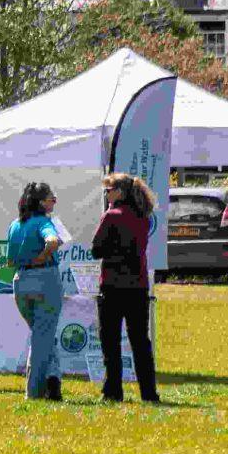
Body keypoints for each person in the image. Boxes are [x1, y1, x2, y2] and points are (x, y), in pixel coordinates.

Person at [91, 172, 161, 404]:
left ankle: (113, 390)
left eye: (109, 190)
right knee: (141, 341)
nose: (107, 194)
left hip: (112, 284)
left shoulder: (111, 216)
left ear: (119, 192)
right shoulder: (143, 217)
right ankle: (148, 392)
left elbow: (96, 249)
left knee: (110, 341)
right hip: (138, 285)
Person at [9, 181, 68, 402]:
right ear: (41, 202)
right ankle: (33, 393)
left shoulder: (15, 225)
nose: (55, 200)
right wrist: (42, 256)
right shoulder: (45, 222)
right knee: (42, 338)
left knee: (41, 334)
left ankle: (53, 378)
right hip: (45, 280)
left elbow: (10, 259)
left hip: (21, 281)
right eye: (51, 197)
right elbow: (52, 242)